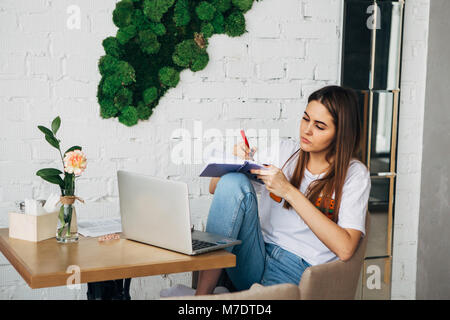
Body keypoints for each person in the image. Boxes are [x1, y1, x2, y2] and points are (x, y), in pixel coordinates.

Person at [195, 85, 371, 296]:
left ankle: (230, 294)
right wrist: (234, 163)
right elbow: (217, 188)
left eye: (320, 126)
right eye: (306, 119)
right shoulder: (284, 150)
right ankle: (200, 298)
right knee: (233, 181)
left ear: (341, 133)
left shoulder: (355, 174)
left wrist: (288, 190)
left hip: (296, 270)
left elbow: (346, 249)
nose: (307, 130)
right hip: (255, 255)